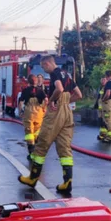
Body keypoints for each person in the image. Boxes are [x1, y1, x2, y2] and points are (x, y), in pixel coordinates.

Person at [18, 55, 82, 194]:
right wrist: (66, 102)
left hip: (56, 112)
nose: (43, 69)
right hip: (67, 113)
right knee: (64, 147)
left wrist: (53, 100)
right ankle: (67, 181)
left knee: (42, 143)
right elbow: (79, 94)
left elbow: (58, 88)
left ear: (47, 64)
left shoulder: (55, 73)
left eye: (43, 67)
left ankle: (33, 177)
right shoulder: (67, 75)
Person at [18, 75, 46, 159]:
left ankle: (31, 153)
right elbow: (46, 100)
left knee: (29, 133)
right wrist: (44, 109)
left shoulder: (25, 91)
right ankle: (37, 153)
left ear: (28, 82)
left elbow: (20, 102)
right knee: (37, 132)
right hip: (39, 113)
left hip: (29, 113)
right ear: (36, 81)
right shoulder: (40, 91)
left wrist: (20, 111)